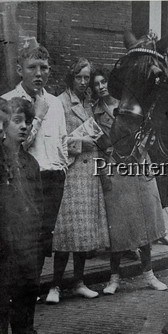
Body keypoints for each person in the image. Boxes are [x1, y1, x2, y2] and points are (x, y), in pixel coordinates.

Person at [91, 67, 168, 294]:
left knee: (144, 220)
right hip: (113, 166)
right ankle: (114, 278)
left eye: (103, 81)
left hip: (138, 163)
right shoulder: (94, 111)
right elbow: (96, 138)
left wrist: (139, 152)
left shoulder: (127, 103)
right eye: (96, 84)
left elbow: (148, 128)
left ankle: (149, 275)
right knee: (118, 226)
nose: (101, 86)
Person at [45, 58, 110, 304]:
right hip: (72, 173)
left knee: (84, 232)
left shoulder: (90, 102)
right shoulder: (60, 103)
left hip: (89, 173)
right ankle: (55, 286)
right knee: (65, 233)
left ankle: (79, 282)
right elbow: (58, 141)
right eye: (79, 77)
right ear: (70, 78)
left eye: (86, 78)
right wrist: (82, 143)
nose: (83, 82)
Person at [1, 38, 68, 274]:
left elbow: (62, 143)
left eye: (44, 67)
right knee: (22, 242)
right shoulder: (8, 101)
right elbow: (16, 147)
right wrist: (37, 117)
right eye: (32, 67)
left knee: (43, 243)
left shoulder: (55, 103)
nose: (39, 74)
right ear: (20, 70)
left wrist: (63, 169)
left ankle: (32, 293)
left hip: (53, 181)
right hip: (26, 180)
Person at [0, 97, 44, 334]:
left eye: (27, 121)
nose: (24, 126)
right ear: (3, 126)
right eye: (17, 121)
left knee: (25, 311)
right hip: (3, 250)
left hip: (27, 251)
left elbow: (39, 206)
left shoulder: (31, 163)